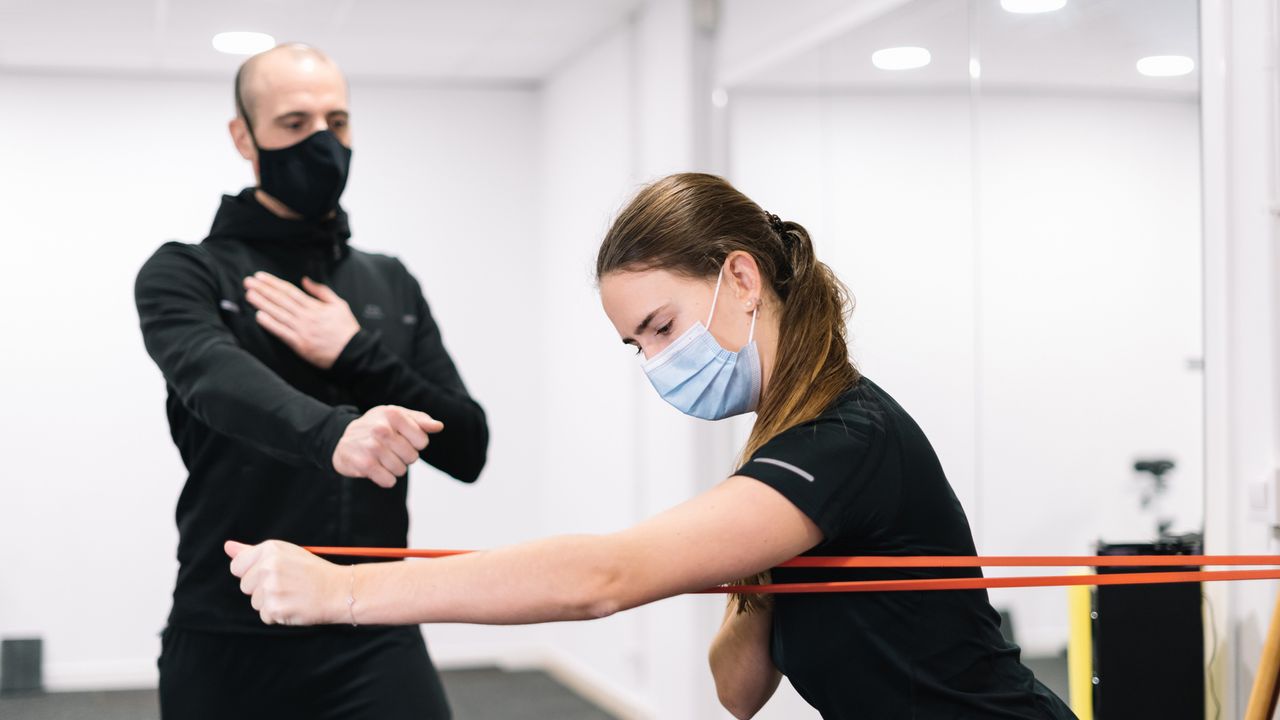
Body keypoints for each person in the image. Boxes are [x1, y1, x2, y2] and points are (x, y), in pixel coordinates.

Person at [224, 173, 1074, 719]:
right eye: (639, 345)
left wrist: (344, 592)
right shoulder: (785, 449)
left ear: (742, 279)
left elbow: (604, 578)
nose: (659, 362)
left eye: (663, 326)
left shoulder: (845, 439)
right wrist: (766, 573)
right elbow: (737, 690)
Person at [135, 43, 488, 719]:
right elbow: (212, 378)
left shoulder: (389, 281)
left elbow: (467, 447)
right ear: (245, 136)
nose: (323, 143)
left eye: (338, 122)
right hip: (228, 628)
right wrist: (335, 433)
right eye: (295, 124)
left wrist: (356, 351)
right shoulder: (186, 273)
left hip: (372, 624)